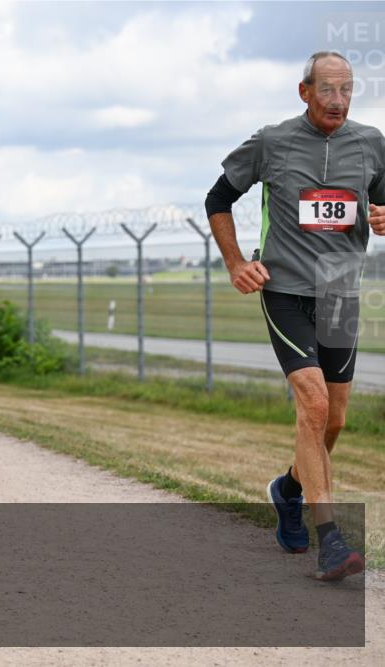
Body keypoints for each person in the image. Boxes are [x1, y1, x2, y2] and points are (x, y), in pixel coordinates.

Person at [206, 52, 384, 582]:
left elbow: (382, 204)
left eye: (346, 90)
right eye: (327, 89)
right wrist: (236, 263)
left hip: (340, 293)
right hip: (284, 291)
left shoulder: (371, 143)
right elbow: (218, 198)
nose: (338, 100)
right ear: (304, 91)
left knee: (334, 420)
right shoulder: (273, 142)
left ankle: (287, 490)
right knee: (314, 403)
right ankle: (330, 539)